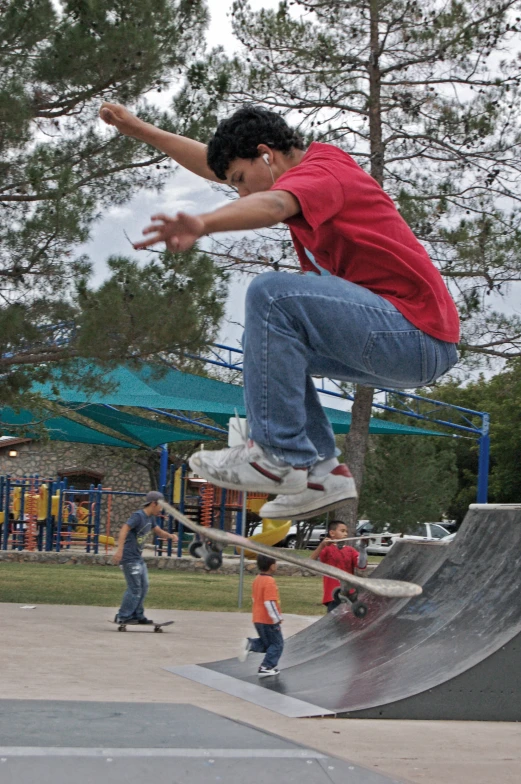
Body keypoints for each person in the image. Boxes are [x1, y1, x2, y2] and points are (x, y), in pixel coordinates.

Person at [99, 103, 459, 520]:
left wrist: (204, 223)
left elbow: (273, 206)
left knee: (271, 295)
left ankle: (279, 456)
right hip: (400, 341)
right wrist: (142, 130)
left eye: (239, 182)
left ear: (267, 155)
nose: (241, 194)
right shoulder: (290, 169)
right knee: (267, 341)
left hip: (414, 333)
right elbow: (214, 166)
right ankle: (323, 473)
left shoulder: (322, 174)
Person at [113, 491, 178, 625]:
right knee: (135, 588)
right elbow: (124, 529)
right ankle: (123, 616)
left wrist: (170, 536)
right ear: (153, 504)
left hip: (138, 558)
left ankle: (137, 615)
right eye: (160, 506)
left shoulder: (151, 518)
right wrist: (119, 550)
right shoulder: (138, 516)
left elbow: (158, 531)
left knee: (144, 586)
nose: (161, 509)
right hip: (129, 558)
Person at [238, 554, 284, 677]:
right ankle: (266, 666)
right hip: (268, 620)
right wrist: (276, 618)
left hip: (258, 618)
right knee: (277, 644)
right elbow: (269, 602)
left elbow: (254, 598)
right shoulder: (270, 581)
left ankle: (251, 644)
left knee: (267, 643)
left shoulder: (257, 579)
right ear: (272, 566)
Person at [310, 520, 368, 612]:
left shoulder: (350, 550)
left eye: (346, 532)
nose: (345, 534)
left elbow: (362, 565)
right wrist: (322, 546)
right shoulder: (327, 549)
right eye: (342, 531)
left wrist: (362, 548)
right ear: (332, 533)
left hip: (350, 594)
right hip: (334, 596)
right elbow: (310, 562)